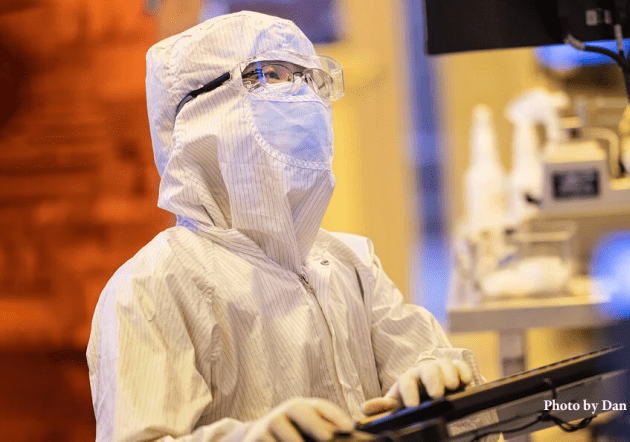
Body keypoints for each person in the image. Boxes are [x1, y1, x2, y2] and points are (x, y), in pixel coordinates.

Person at [86, 11, 483, 442]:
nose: (303, 94)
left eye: (309, 77)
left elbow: (444, 389)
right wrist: (249, 438)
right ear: (197, 114)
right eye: (270, 74)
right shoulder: (150, 287)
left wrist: (437, 385)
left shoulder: (351, 263)